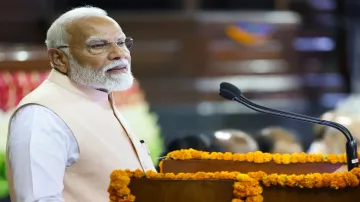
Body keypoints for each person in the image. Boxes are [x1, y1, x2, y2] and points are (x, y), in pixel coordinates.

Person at [5, 6, 155, 202]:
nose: (119, 53)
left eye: (121, 42)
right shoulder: (41, 114)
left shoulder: (100, 97)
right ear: (58, 58)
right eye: (98, 45)